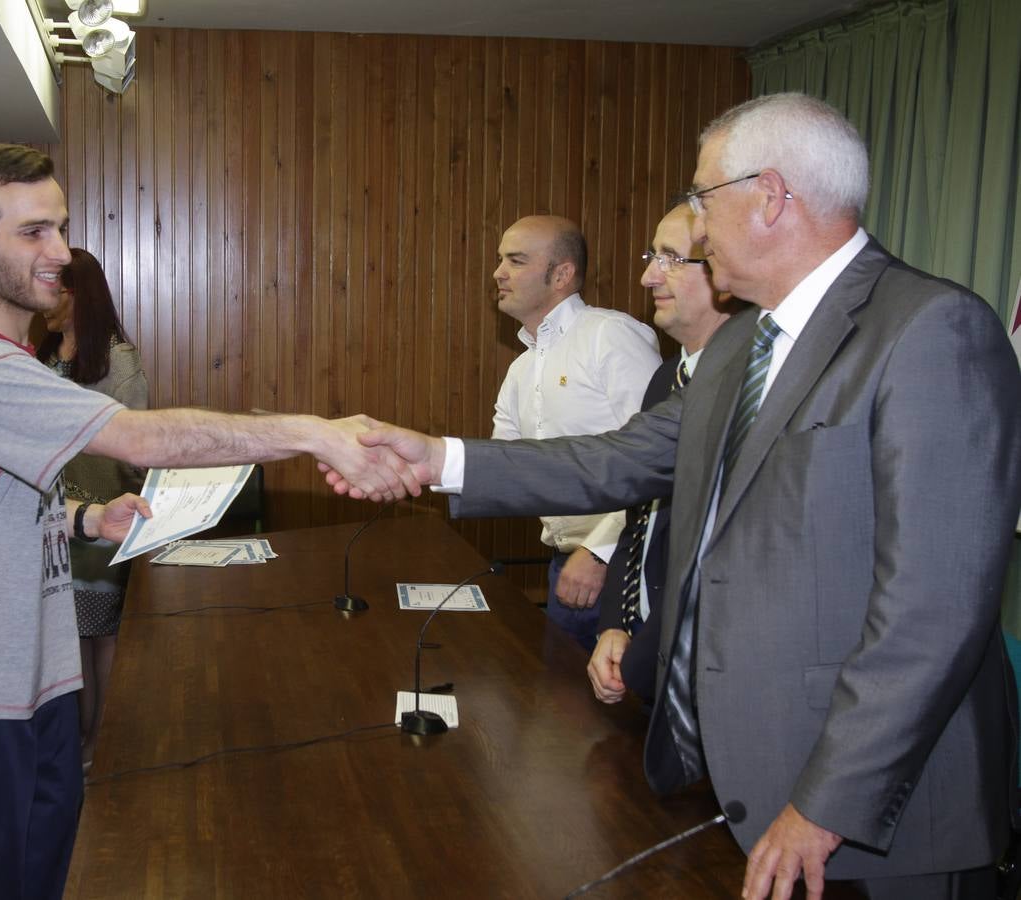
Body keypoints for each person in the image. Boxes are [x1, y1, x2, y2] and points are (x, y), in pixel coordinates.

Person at [333, 94, 1021, 899]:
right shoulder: (743, 350)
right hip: (754, 782)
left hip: (879, 815)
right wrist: (436, 459)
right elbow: (617, 461)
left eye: (701, 198)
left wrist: (826, 802)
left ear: (770, 196)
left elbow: (932, 612)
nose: (693, 225)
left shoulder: (929, 331)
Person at [0, 143, 413, 900]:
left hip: (36, 685)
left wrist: (88, 515)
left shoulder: (17, 360)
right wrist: (310, 430)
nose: (60, 253)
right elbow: (141, 437)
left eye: (60, 228)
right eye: (33, 232)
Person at [588, 202, 738, 707]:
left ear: (724, 273)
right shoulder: (666, 377)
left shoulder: (751, 389)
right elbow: (641, 519)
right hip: (641, 653)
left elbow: (713, 567)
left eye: (671, 258)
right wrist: (615, 624)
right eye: (652, 255)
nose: (649, 276)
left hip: (699, 676)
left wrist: (640, 658)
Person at [490, 215, 659, 650]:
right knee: (568, 710)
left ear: (562, 274)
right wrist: (408, 466)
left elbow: (660, 459)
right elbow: (502, 469)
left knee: (623, 711)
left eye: (516, 260)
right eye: (500, 260)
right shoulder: (521, 368)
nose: (498, 272)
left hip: (628, 566)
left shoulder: (611, 336)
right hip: (566, 565)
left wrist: (601, 552)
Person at [37, 247, 148, 770]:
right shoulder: (46, 357)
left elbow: (136, 449)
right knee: (71, 640)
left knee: (102, 640)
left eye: (56, 290)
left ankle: (99, 750)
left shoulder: (117, 362)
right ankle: (78, 746)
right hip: (60, 524)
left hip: (106, 522)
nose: (45, 303)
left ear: (78, 295)